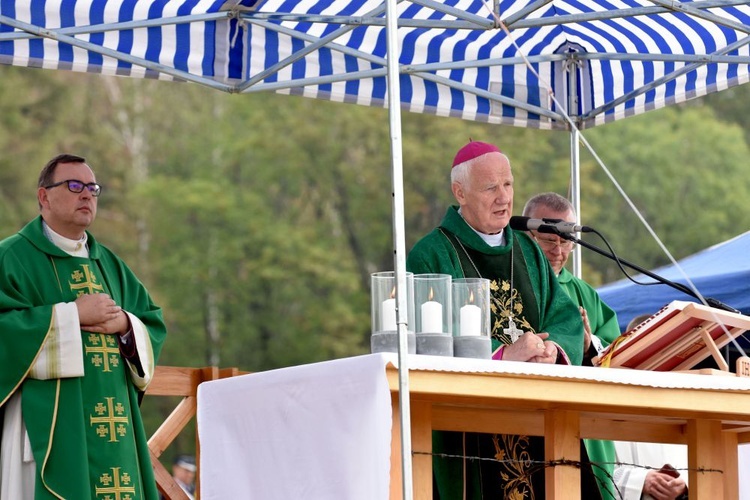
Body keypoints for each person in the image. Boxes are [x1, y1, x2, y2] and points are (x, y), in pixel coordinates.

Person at [406, 141, 601, 499]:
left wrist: (553, 349)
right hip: (468, 426)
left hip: (541, 417)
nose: (503, 198)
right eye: (490, 188)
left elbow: (565, 317)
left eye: (508, 185)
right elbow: (426, 341)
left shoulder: (528, 250)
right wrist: (502, 357)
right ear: (459, 192)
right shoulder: (431, 255)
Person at [0, 154, 167, 499]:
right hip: (48, 426)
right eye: (74, 186)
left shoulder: (110, 264)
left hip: (116, 423)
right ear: (43, 197)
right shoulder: (11, 257)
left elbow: (152, 323)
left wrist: (124, 324)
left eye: (93, 188)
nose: (87, 195)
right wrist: (70, 315)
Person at [522, 192, 621, 498]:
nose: (558, 251)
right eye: (549, 240)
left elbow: (620, 355)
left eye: (566, 242)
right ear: (524, 235)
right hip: (527, 423)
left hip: (584, 424)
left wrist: (591, 343)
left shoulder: (584, 294)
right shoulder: (514, 284)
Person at [612, 315, 688, 500]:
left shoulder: (685, 401)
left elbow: (704, 463)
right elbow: (594, 468)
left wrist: (684, 483)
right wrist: (640, 480)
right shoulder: (609, 399)